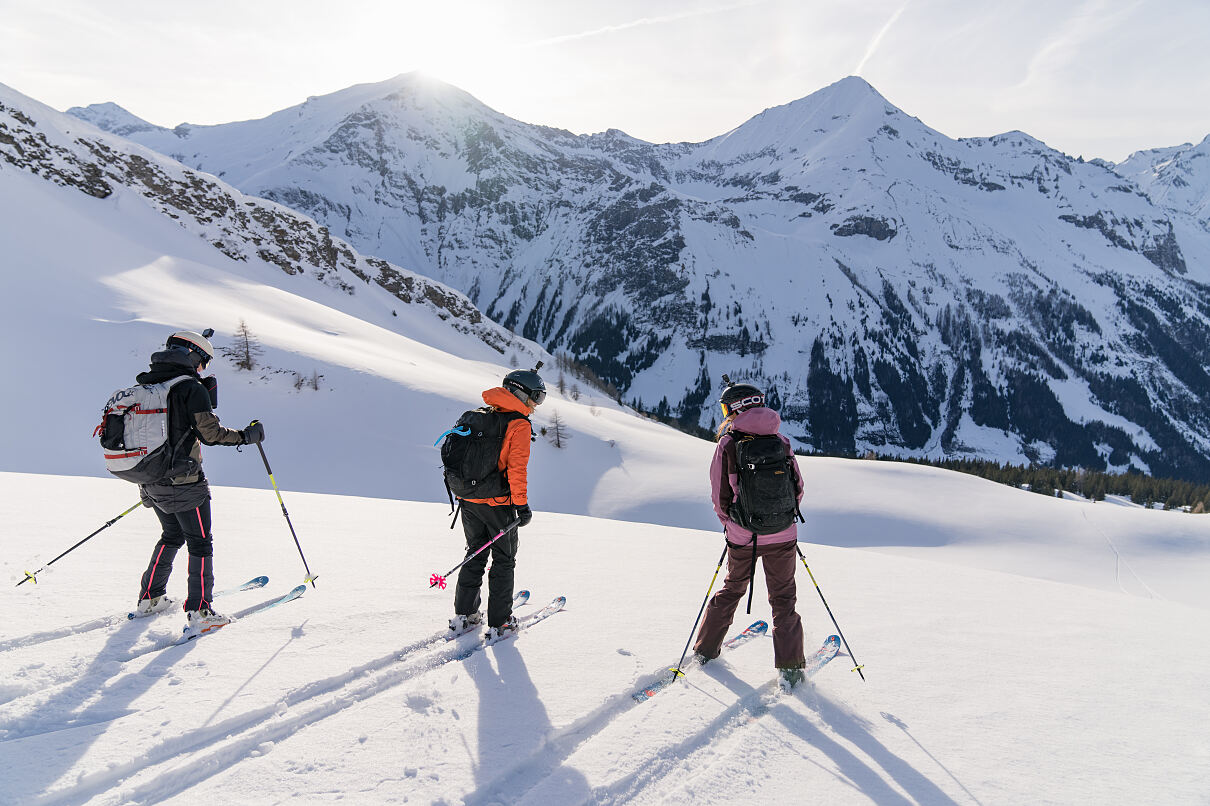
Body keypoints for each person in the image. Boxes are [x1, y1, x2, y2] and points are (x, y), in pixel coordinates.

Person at [132, 330, 264, 632]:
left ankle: (150, 598)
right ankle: (201, 611)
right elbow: (210, 433)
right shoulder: (190, 387)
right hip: (186, 482)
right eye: (203, 362)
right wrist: (246, 436)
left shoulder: (148, 384)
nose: (203, 369)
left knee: (172, 535)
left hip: (150, 479)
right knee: (200, 543)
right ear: (193, 356)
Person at [693, 378, 808, 687]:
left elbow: (720, 496)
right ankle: (791, 668)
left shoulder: (729, 443)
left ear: (734, 408)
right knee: (784, 599)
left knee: (731, 589)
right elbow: (798, 487)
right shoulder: (781, 441)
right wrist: (782, 520)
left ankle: (705, 651)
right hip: (784, 534)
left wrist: (731, 526)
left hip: (743, 536)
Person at [449, 366, 545, 640]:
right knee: (504, 560)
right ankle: (501, 622)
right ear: (520, 393)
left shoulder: (478, 416)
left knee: (475, 552)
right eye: (536, 397)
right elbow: (517, 470)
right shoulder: (518, 425)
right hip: (498, 504)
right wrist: (522, 506)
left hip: (467, 499)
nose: (536, 404)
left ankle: (465, 616)